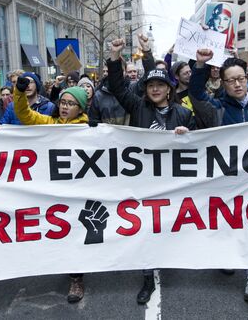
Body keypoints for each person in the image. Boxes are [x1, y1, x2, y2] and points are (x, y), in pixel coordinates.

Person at [189, 49, 248, 302]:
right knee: (226, 223)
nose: (237, 84)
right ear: (223, 83)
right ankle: (227, 255)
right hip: (225, 181)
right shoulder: (216, 109)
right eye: (231, 80)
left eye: (241, 78)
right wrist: (200, 64)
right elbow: (196, 94)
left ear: (247, 78)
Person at [107, 38, 194, 305]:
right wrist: (114, 57)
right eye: (150, 85)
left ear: (169, 89)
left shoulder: (183, 113)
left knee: (169, 224)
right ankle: (147, 275)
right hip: (144, 181)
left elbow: (198, 147)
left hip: (172, 181)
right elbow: (117, 87)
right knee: (147, 227)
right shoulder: (138, 107)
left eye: (160, 85)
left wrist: (186, 134)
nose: (155, 89)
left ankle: (174, 257)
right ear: (145, 90)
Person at [11, 76, 89, 303]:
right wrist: (19, 92)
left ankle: (76, 278)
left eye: (70, 104)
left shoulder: (90, 130)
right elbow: (24, 114)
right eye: (63, 102)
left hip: (79, 191)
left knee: (76, 232)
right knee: (60, 231)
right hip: (53, 190)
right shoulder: (49, 124)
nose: (65, 107)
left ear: (81, 107)